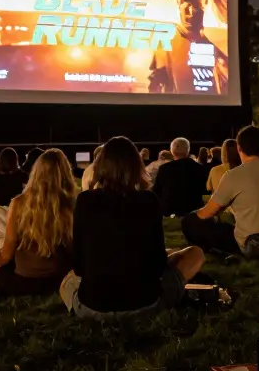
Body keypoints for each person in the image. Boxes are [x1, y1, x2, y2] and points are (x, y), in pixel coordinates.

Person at [60, 136, 204, 317]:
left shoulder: (85, 200)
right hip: (147, 303)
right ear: (137, 166)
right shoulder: (149, 200)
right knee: (195, 254)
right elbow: (158, 265)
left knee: (66, 282)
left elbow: (79, 266)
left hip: (92, 306)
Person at [182, 126, 259, 257]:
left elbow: (208, 213)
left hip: (253, 245)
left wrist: (192, 216)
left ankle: (211, 253)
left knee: (190, 222)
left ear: (239, 148)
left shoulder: (233, 175)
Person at [0, 148, 75, 296]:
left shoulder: (19, 203)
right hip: (59, 280)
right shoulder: (72, 204)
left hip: (25, 279)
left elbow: (7, 253)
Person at [147, 0, 229, 95]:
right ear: (179, 7)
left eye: (196, 7)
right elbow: (155, 84)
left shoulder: (214, 47)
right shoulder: (166, 45)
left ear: (203, 7)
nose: (190, 13)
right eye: (186, 7)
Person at [152, 137, 208, 217]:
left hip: (169, 214)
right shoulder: (199, 168)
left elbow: (157, 191)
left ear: (172, 151)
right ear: (188, 150)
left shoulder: (164, 169)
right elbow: (204, 190)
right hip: (193, 213)